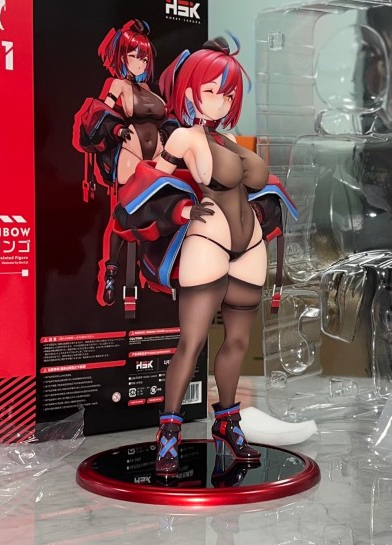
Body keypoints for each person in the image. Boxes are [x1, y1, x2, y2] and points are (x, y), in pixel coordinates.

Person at [116, 37, 270, 476]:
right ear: (189, 90)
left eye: (229, 93)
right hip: (209, 239)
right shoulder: (183, 137)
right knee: (193, 342)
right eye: (211, 90)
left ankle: (227, 424)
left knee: (237, 342)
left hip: (250, 244)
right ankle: (168, 433)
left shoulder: (227, 137)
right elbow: (145, 186)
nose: (221, 101)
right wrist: (178, 210)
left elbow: (254, 180)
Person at [74, 20, 175, 311]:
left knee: (155, 215)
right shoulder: (117, 85)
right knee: (123, 217)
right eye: (134, 56)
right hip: (130, 156)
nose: (140, 62)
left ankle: (151, 272)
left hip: (156, 158)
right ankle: (111, 273)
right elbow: (98, 116)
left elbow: (166, 118)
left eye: (144, 57)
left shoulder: (149, 89)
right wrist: (115, 129)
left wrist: (168, 135)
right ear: (122, 57)